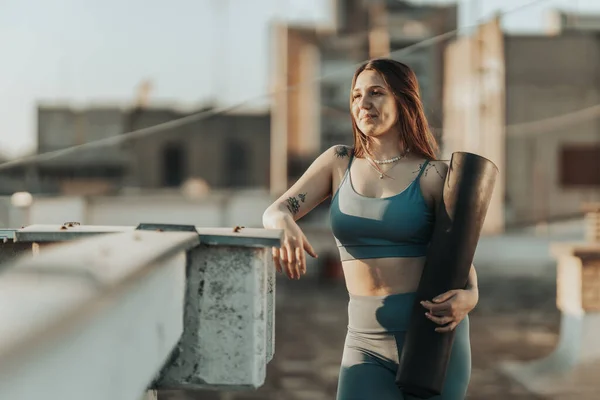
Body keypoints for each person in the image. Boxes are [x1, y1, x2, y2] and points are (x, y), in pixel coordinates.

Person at [262, 58, 478, 400]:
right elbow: (276, 210)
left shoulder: (435, 175)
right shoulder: (338, 163)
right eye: (356, 95)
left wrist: (471, 296)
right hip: (363, 343)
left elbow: (459, 255)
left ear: (403, 100)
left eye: (376, 93)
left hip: (432, 341)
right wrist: (284, 222)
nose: (364, 103)